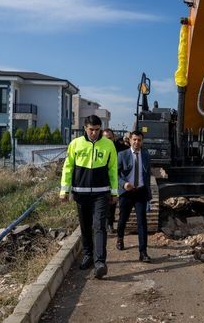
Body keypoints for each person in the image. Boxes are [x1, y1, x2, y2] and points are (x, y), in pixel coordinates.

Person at [60, 115, 118, 279]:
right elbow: (68, 167)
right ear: (85, 128)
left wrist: (114, 192)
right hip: (81, 192)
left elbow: (113, 170)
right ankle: (88, 255)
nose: (94, 133)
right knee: (85, 226)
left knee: (99, 226)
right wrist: (64, 190)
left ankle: (100, 262)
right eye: (91, 129)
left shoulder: (108, 145)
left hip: (101, 192)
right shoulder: (75, 144)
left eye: (97, 130)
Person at [116, 130, 152, 262]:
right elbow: (116, 174)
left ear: (142, 142)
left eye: (139, 140)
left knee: (142, 222)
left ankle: (143, 252)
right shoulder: (122, 155)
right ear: (130, 140)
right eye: (134, 140)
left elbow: (147, 175)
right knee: (122, 219)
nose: (137, 142)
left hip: (140, 192)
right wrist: (123, 184)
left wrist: (148, 194)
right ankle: (120, 237)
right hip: (126, 192)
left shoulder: (146, 155)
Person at [102, 128, 121, 234]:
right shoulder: (99, 148)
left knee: (112, 202)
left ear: (113, 138)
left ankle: (109, 223)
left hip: (114, 179)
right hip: (101, 179)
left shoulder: (119, 148)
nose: (108, 140)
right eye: (105, 138)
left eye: (109, 138)